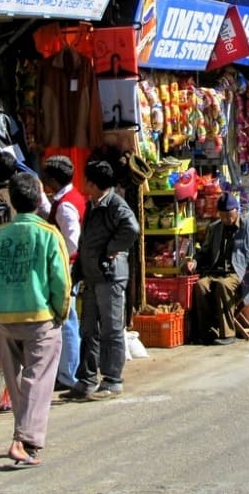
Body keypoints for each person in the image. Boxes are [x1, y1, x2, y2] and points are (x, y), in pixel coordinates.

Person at [0, 173, 71, 468]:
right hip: (39, 316)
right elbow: (61, 282)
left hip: (2, 316)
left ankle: (25, 439)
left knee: (18, 381)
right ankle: (23, 440)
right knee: (38, 379)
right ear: (38, 198)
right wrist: (61, 313)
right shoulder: (48, 234)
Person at [60, 160, 139, 401]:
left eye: (86, 180)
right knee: (88, 329)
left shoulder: (115, 205)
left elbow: (132, 229)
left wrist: (110, 250)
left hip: (110, 276)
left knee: (111, 329)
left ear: (93, 183)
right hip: (93, 277)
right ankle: (86, 380)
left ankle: (112, 380)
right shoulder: (93, 205)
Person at [186, 193, 249, 345]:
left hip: (240, 273)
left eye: (229, 215)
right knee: (200, 286)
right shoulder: (215, 228)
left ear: (237, 211)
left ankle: (227, 333)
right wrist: (194, 262)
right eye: (222, 215)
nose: (226, 219)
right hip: (216, 271)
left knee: (224, 286)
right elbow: (204, 251)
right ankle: (207, 332)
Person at [40, 155, 87, 390]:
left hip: (66, 266)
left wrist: (60, 262)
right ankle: (68, 370)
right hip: (67, 265)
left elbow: (72, 241)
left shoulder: (66, 204)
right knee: (68, 318)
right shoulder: (66, 199)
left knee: (67, 319)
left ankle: (69, 373)